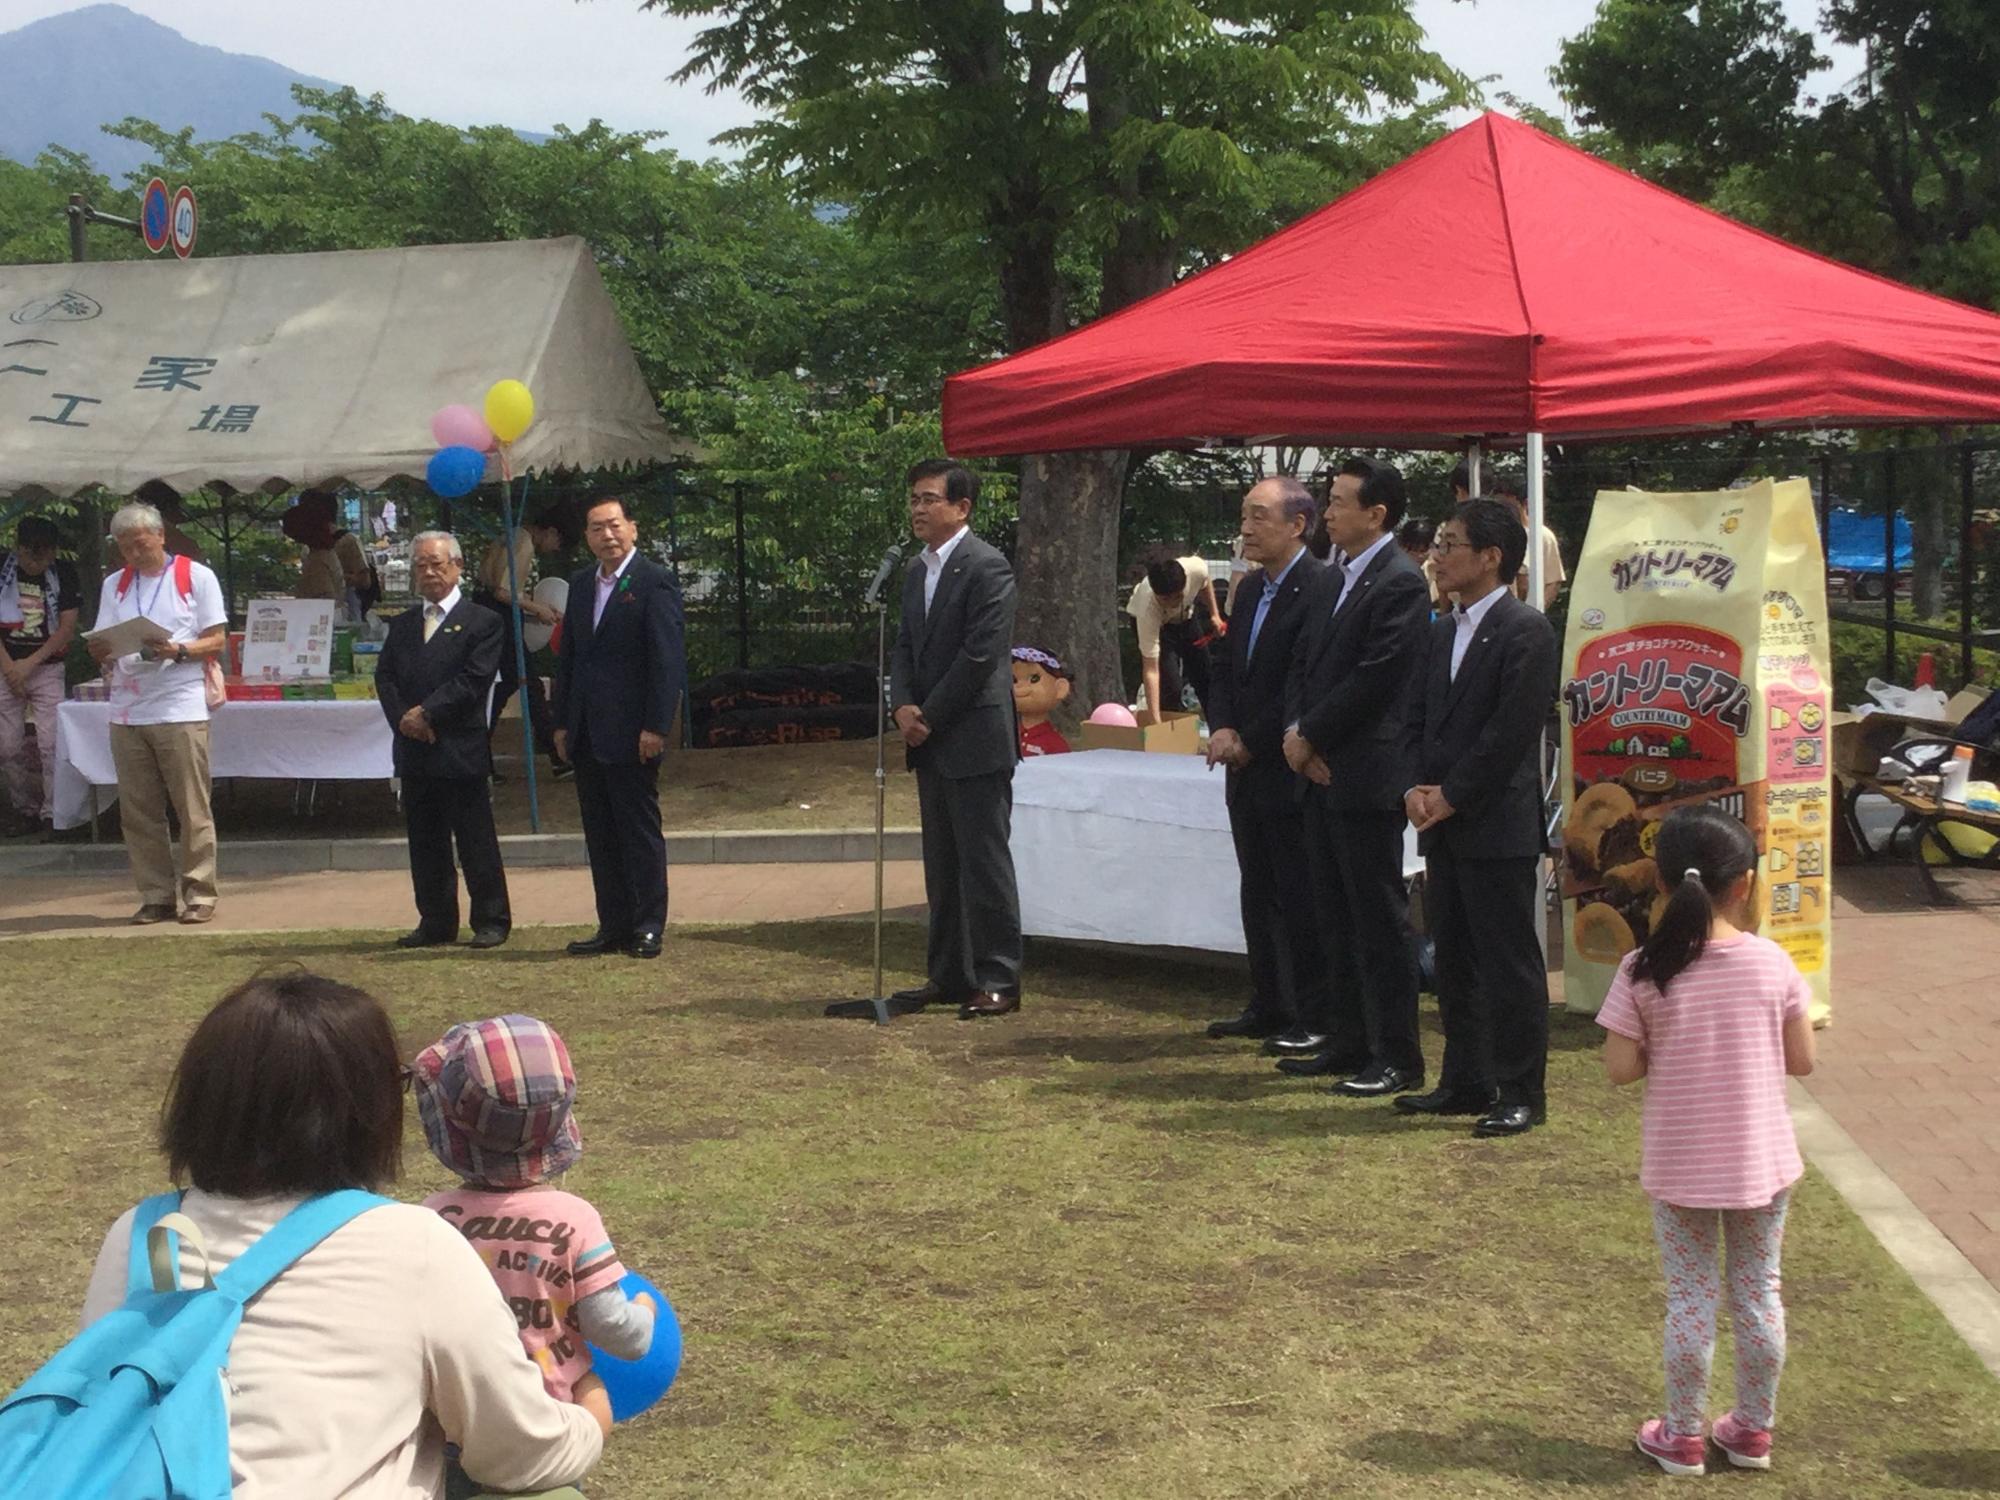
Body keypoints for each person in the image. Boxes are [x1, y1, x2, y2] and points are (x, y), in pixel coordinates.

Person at [76, 971, 603, 1496]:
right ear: (362, 1114)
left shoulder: (144, 1234)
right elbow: (518, 1452)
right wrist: (593, 1413)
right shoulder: (410, 1242)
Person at [1597, 805, 1816, 1477]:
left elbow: (1621, 1069)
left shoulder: (1642, 968)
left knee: (1691, 1298)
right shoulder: (1772, 964)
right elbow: (1801, 1060)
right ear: (1744, 884)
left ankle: (1683, 1434)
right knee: (1759, 1293)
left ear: (1658, 883)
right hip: (1761, 1162)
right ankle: (1752, 1429)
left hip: (1684, 1164)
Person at [415, 1013, 659, 1438]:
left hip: (454, 1419)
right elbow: (617, 1332)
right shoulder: (574, 1219)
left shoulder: (430, 1218)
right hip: (550, 1424)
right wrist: (645, 1312)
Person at [1399, 499, 1560, 1136]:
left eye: (1450, 545)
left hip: (1496, 823)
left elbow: (1510, 732)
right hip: (1442, 823)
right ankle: (1465, 1078)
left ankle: (1521, 1089)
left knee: (1508, 963)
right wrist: (1415, 784)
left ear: (1491, 557)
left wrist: (1452, 793)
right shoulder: (1441, 630)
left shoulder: (1526, 630)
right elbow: (1416, 716)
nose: (1437, 557)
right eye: (1437, 544)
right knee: (1455, 958)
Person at [1278, 458, 1431, 1093]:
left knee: (1376, 918)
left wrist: (1311, 734)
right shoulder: (1331, 576)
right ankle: (1346, 1038)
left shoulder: (1400, 582)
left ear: (1377, 515)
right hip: (1316, 769)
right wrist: (1296, 733)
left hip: (1365, 772)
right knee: (1332, 913)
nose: (1329, 511)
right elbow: (1305, 664)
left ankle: (1396, 1053)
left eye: (1341, 502)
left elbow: (1377, 678)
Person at [879, 459, 1023, 1019]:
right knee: (942, 864)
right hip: (930, 738)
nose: (918, 508)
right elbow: (906, 647)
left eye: (930, 499)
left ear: (962, 508)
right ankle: (948, 973)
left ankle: (998, 977)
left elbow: (980, 655)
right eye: (914, 498)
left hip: (974, 736)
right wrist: (901, 706)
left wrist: (928, 713)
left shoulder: (988, 567)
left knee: (983, 862)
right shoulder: (918, 570)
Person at [1202, 477, 1328, 1043]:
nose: (1246, 529)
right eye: (1243, 517)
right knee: (1257, 888)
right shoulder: (1249, 589)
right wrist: (1223, 725)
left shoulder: (1321, 587)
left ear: (1297, 524)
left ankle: (1310, 1010)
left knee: (1298, 891)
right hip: (1243, 765)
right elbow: (1227, 665)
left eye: (1259, 517)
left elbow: (1301, 682)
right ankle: (1268, 1000)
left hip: (1287, 763)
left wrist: (1251, 738)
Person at [552, 496, 685, 961]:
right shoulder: (581, 584)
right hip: (587, 730)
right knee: (600, 833)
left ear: (632, 528)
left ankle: (648, 925)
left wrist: (655, 725)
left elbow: (666, 661)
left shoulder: (653, 581)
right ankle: (612, 924)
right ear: (587, 537)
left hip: (632, 732)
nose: (606, 536)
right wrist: (563, 722)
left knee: (637, 831)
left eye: (613, 526)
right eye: (595, 528)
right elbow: (569, 657)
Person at [87, 501, 228, 925]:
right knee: (139, 810)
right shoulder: (115, 584)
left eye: (142, 544)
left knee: (191, 807)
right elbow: (106, 640)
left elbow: (217, 639)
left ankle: (200, 892)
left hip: (179, 703)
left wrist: (180, 650)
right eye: (126, 547)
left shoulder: (194, 576)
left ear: (161, 536)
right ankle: (155, 894)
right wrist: (101, 649)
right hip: (128, 708)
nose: (134, 554)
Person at [376, 531, 512, 951]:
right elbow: (385, 677)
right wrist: (405, 718)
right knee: (425, 841)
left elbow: (474, 680)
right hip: (415, 748)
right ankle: (435, 920)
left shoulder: (483, 621)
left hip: (459, 746)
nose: (430, 572)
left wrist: (428, 713)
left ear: (457, 566)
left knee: (474, 839)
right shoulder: (401, 625)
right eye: (421, 565)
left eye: (437, 563)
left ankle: (491, 919)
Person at [475, 513, 571, 781]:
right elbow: (503, 592)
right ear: (550, 530)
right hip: (497, 617)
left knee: (510, 685)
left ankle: (483, 760)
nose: (556, 548)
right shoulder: (524, 543)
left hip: (489, 610)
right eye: (558, 541)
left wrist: (534, 606)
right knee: (526, 683)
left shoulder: (512, 533)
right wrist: (536, 607)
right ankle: (557, 756)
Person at [0, 515, 78, 837]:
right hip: (5, 665)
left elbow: (67, 628)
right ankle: (23, 808)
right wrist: (10, 669)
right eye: (32, 555)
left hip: (45, 666)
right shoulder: (4, 568)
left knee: (50, 742)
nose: (37, 563)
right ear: (18, 548)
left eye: (45, 556)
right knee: (8, 745)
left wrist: (29, 665)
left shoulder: (63, 573)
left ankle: (54, 812)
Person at [1127, 552, 1223, 722]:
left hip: (1185, 618)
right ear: (1156, 594)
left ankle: (1217, 727)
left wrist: (1214, 614)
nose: (1172, 602)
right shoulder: (1146, 608)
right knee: (1171, 685)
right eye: (1166, 599)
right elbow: (1151, 669)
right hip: (1159, 626)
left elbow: (1205, 583)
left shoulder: (1196, 569)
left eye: (1177, 596)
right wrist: (1154, 721)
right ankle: (1167, 728)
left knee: (1206, 675)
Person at [1487, 472, 1566, 608]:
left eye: (1507, 502)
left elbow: (1553, 581)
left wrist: (1535, 611)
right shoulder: (1490, 532)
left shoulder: (1543, 536)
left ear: (1525, 503)